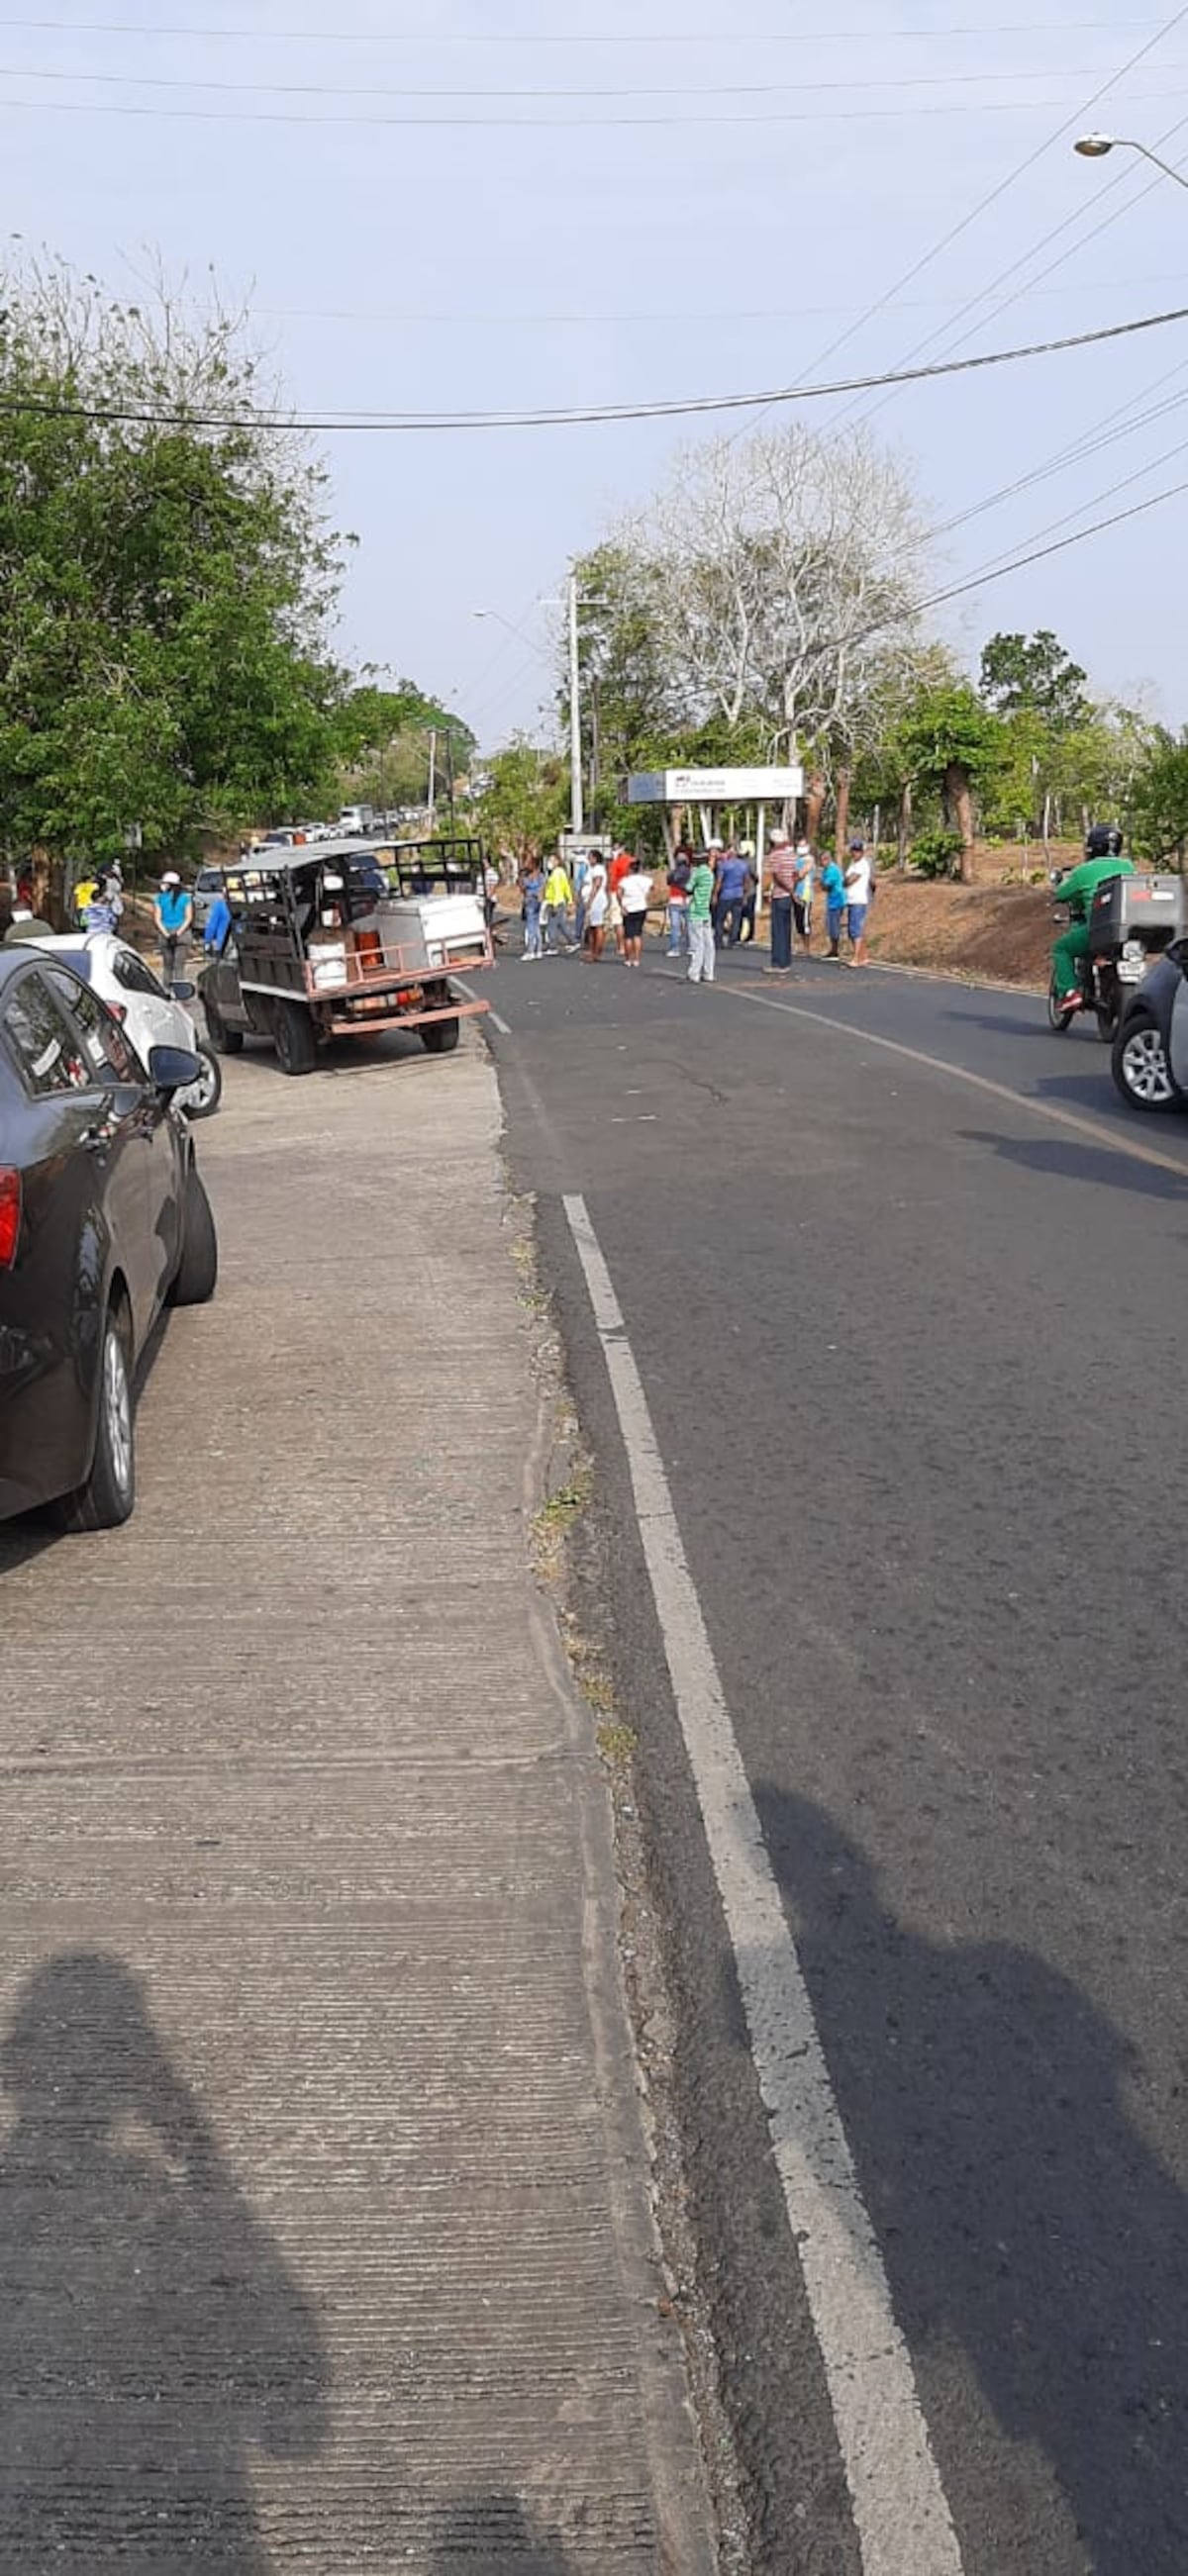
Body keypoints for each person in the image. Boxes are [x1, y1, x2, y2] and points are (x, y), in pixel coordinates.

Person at [1050, 827, 1135, 1008]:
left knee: (1061, 949)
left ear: (1093, 847)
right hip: (1126, 930)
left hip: (1097, 930)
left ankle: (1069, 993)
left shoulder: (1083, 871)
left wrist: (1058, 888)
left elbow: (1061, 894)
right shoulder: (1128, 866)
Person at [765, 829, 799, 975]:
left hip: (779, 895)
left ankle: (777, 962)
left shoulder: (774, 855)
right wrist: (792, 890)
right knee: (786, 930)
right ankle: (786, 962)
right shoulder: (791, 855)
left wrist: (787, 889)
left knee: (777, 930)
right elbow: (796, 874)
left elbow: (776, 876)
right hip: (789, 895)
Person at [153, 870, 193, 989]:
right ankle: (179, 992)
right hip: (183, 934)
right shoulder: (186, 898)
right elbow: (188, 918)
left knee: (167, 966)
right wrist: (178, 933)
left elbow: (157, 919)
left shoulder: (159, 898)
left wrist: (167, 935)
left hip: (165, 933)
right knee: (179, 966)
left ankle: (166, 991)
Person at [714, 840, 752, 948]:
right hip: (738, 894)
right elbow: (747, 881)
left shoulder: (723, 865)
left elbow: (719, 881)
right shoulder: (743, 865)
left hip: (726, 894)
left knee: (720, 918)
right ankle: (733, 940)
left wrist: (715, 895)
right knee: (736, 918)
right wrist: (745, 895)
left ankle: (719, 940)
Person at [686, 848, 717, 986]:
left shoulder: (697, 873)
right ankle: (708, 972)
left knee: (697, 944)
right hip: (705, 911)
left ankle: (694, 973)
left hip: (696, 911)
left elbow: (688, 887)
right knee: (708, 943)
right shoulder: (709, 873)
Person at [843, 837, 873, 967]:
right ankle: (863, 956)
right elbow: (846, 880)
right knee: (853, 930)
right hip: (851, 899)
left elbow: (850, 880)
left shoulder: (862, 864)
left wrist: (846, 880)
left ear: (862, 852)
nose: (854, 853)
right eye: (853, 850)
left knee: (855, 929)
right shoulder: (852, 863)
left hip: (859, 900)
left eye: (857, 850)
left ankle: (856, 958)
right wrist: (846, 880)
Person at [618, 861, 652, 968]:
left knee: (628, 935)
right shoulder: (645, 880)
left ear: (630, 869)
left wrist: (621, 905)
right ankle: (636, 959)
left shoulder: (625, 881)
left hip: (628, 909)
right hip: (641, 908)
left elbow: (619, 893)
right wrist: (646, 896)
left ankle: (628, 959)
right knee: (637, 934)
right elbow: (652, 888)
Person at [665, 843, 693, 957]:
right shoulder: (691, 872)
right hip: (687, 899)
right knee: (689, 925)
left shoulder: (673, 872)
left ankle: (675, 948)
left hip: (675, 899)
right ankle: (692, 947)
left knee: (675, 926)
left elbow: (669, 881)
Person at [542, 855, 574, 952]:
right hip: (556, 901)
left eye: (552, 860)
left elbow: (558, 889)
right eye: (549, 860)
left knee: (552, 925)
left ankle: (553, 947)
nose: (549, 862)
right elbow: (566, 887)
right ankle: (573, 941)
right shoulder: (559, 872)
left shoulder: (556, 873)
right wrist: (570, 900)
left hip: (555, 902)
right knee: (561, 924)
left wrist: (555, 904)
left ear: (557, 861)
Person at [821, 850, 846, 959]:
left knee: (834, 926)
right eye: (822, 860)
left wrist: (823, 885)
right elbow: (823, 886)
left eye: (825, 859)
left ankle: (835, 950)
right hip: (831, 901)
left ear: (829, 859)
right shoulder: (825, 870)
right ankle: (832, 949)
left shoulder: (832, 870)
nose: (823, 862)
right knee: (830, 926)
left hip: (837, 901)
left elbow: (826, 886)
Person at [583, 856, 610, 961]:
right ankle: (592, 951)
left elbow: (597, 884)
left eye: (590, 857)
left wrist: (590, 900)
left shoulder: (598, 869)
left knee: (597, 926)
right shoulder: (592, 869)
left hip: (596, 900)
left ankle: (596, 952)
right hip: (593, 900)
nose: (588, 859)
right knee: (591, 927)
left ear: (595, 858)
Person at [793, 840, 815, 955]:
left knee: (805, 921)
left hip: (805, 895)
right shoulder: (797, 860)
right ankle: (802, 945)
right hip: (796, 893)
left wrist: (797, 874)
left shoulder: (809, 859)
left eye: (803, 845)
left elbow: (801, 874)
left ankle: (807, 948)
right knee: (799, 921)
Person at [520, 857, 545, 960]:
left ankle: (530, 951)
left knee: (530, 926)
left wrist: (522, 880)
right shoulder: (541, 876)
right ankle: (538, 950)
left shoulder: (528, 876)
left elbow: (523, 888)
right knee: (536, 926)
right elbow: (542, 889)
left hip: (530, 900)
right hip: (538, 901)